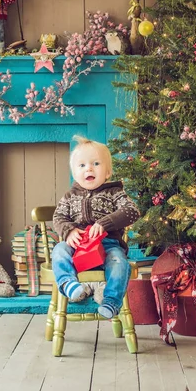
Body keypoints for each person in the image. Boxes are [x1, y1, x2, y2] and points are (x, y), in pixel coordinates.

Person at [52, 136, 140, 319]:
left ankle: (111, 301)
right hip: (76, 248)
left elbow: (132, 211)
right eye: (82, 165)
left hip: (108, 246)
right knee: (59, 250)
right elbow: (58, 217)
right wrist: (69, 231)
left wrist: (104, 223)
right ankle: (68, 283)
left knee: (119, 261)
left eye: (96, 164)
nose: (89, 168)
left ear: (107, 172)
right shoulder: (69, 196)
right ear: (75, 173)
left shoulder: (114, 193)